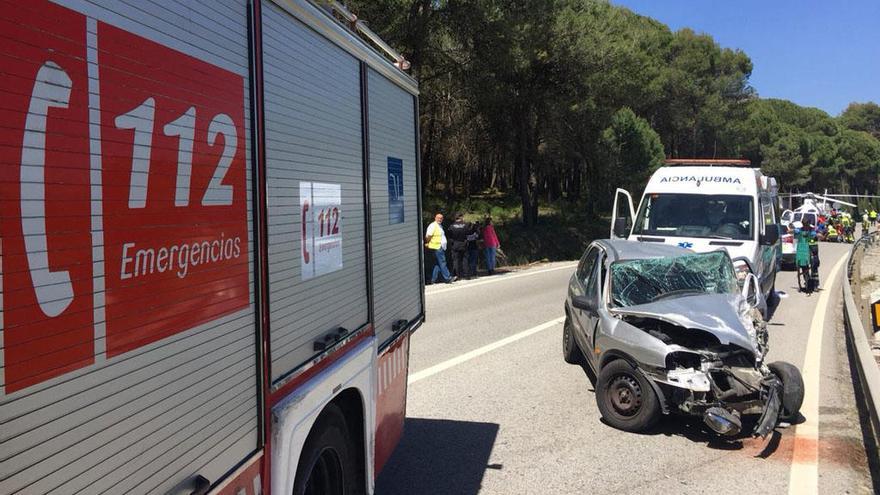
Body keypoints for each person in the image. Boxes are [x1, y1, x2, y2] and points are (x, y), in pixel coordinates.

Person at [424, 213, 452, 284]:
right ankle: (448, 278)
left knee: (437, 264)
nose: (440, 219)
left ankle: (433, 280)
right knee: (442, 262)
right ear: (435, 218)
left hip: (439, 246)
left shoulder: (439, 226)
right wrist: (428, 242)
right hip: (436, 246)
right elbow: (428, 236)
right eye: (438, 218)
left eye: (441, 218)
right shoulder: (433, 225)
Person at [447, 213, 470, 280]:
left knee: (456, 260)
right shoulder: (465, 225)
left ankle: (457, 275)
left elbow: (449, 235)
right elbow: (468, 233)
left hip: (455, 244)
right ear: (460, 217)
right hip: (463, 244)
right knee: (465, 259)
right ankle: (466, 275)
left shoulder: (451, 226)